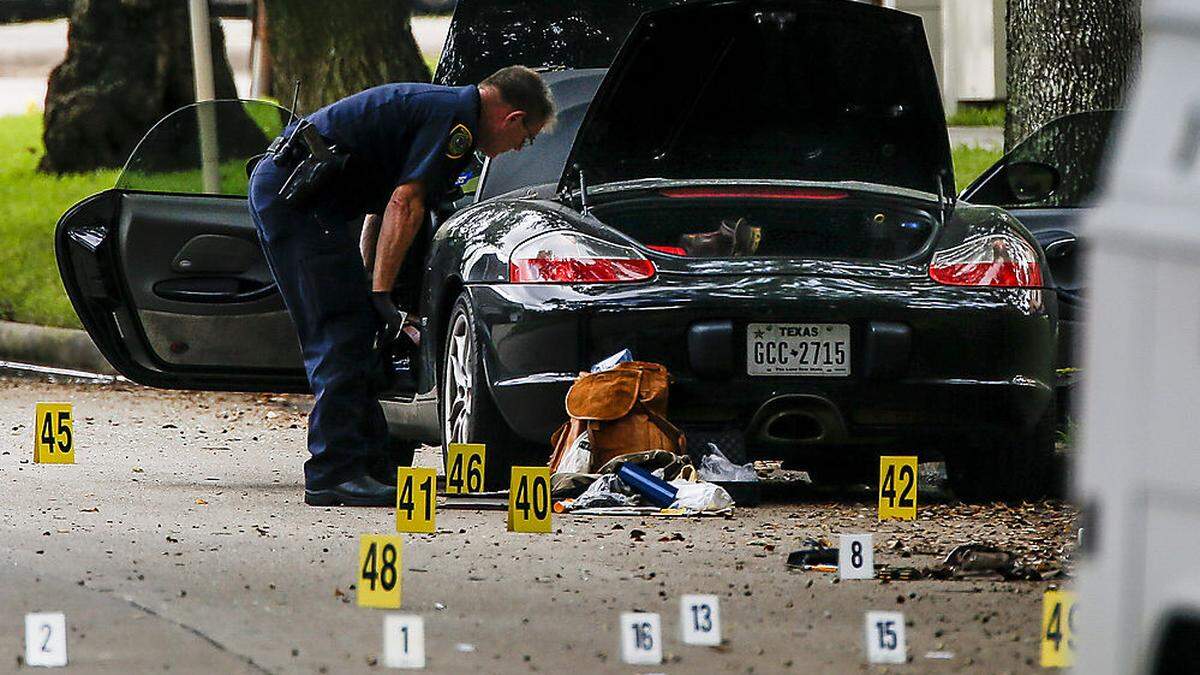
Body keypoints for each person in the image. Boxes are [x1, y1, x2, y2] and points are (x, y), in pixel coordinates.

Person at [247, 66, 556, 506]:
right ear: (513, 117)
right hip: (297, 199)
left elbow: (381, 208)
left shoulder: (444, 109)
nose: (517, 148)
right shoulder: (457, 124)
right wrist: (380, 296)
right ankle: (333, 473)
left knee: (358, 328)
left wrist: (377, 289)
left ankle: (369, 465)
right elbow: (404, 204)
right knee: (341, 331)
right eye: (525, 138)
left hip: (306, 197)